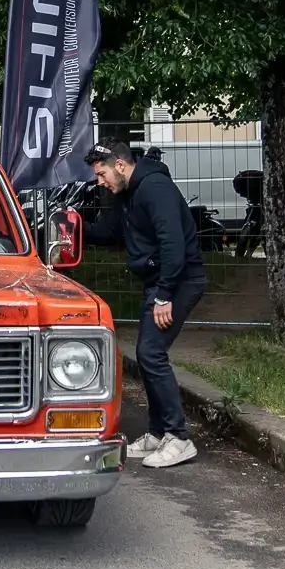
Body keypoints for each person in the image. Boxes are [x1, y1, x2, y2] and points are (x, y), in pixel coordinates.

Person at [82, 140, 208, 469]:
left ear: (120, 165)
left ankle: (179, 438)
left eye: (102, 173)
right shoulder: (124, 194)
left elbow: (173, 243)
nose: (100, 181)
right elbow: (108, 233)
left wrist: (165, 294)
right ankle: (157, 433)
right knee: (146, 354)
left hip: (179, 280)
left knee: (151, 353)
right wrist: (73, 225)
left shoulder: (154, 188)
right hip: (159, 281)